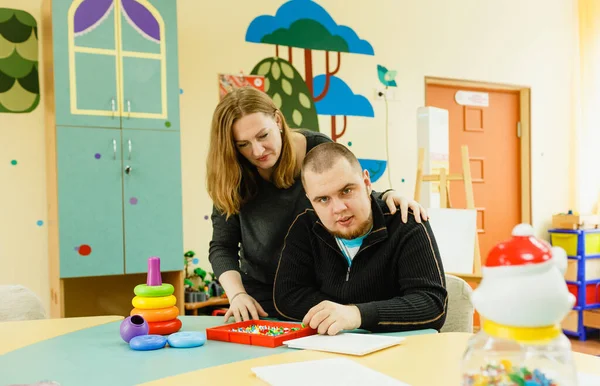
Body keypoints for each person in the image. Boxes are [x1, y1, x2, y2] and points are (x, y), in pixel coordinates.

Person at [206, 86, 429, 322]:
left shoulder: (316, 148)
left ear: (278, 121)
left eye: (263, 136)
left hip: (317, 290)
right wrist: (237, 294)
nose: (258, 150)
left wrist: (387, 196)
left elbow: (346, 186)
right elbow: (222, 245)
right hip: (262, 296)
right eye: (243, 144)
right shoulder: (230, 174)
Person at [273, 142, 447, 335]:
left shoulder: (406, 222)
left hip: (398, 353)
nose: (338, 208)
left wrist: (356, 315)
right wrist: (340, 315)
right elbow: (287, 297)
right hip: (327, 349)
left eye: (346, 191)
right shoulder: (305, 227)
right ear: (310, 200)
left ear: (366, 182)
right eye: (323, 199)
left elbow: (432, 304)